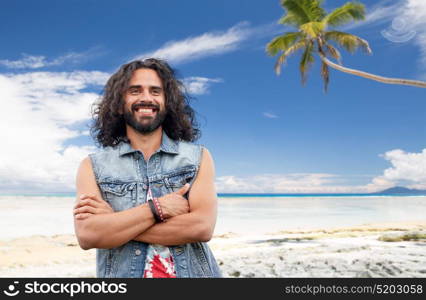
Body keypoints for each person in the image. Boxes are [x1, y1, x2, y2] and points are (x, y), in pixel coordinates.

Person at [73, 58, 222, 278]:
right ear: (119, 102)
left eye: (155, 91)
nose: (146, 98)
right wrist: (157, 208)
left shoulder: (197, 158)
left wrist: (116, 222)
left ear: (166, 101)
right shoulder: (93, 166)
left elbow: (201, 227)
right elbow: (88, 235)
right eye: (134, 91)